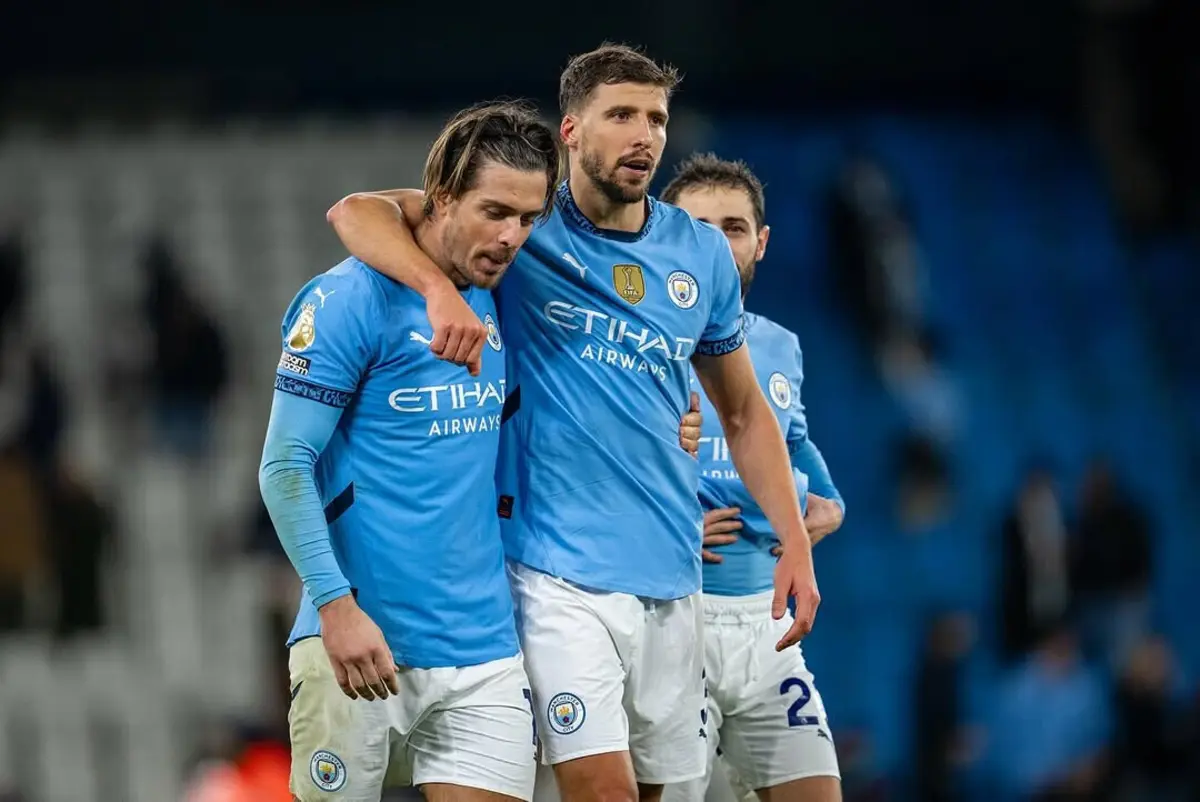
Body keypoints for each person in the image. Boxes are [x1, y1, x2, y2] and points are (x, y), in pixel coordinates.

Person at [325, 43, 821, 802]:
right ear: (570, 131)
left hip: (670, 570)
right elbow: (356, 213)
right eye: (620, 115)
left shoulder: (699, 255)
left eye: (656, 117)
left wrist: (794, 542)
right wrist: (437, 289)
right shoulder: (525, 228)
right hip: (554, 572)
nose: (644, 135)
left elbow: (744, 412)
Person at [259, 101, 559, 802]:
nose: (512, 236)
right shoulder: (347, 299)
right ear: (442, 197)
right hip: (361, 639)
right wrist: (335, 608)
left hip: (483, 648)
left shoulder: (501, 293)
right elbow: (283, 465)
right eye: (494, 212)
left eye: (527, 218)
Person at [660, 154, 845, 802]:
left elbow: (804, 461)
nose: (715, 242)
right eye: (698, 226)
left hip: (765, 627)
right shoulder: (631, 342)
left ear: (760, 243)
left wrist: (819, 514)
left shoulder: (779, 346)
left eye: (733, 227)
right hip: (670, 624)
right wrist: (670, 526)